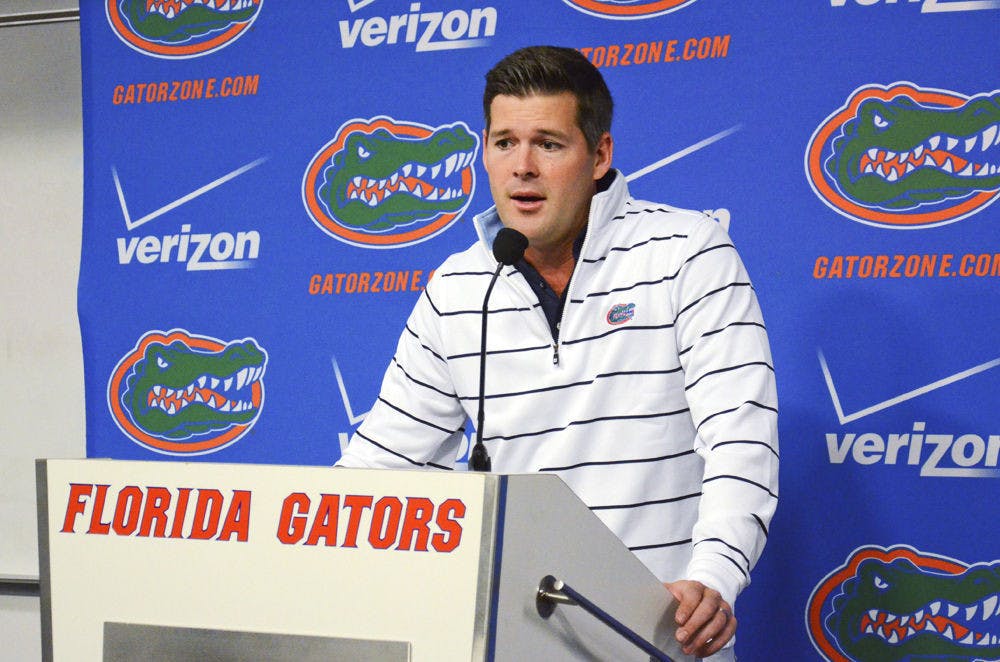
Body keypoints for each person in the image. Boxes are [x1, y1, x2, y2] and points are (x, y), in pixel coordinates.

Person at [337, 45, 778, 660]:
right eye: (503, 143)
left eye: (547, 143)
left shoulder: (686, 253)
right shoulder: (457, 289)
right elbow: (379, 473)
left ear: (599, 156)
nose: (522, 167)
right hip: (509, 640)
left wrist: (714, 576)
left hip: (656, 636)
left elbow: (740, 440)